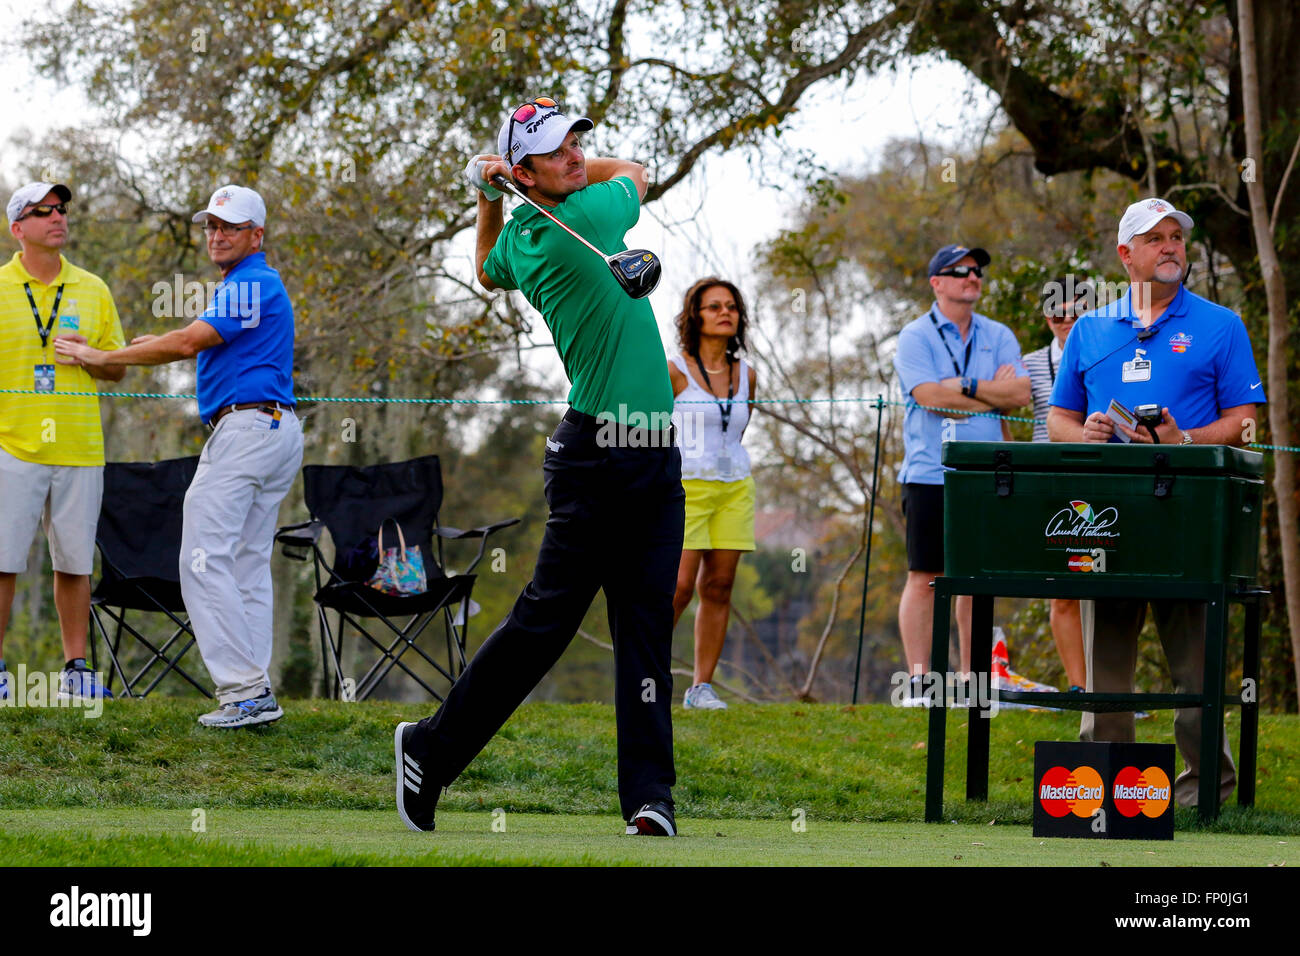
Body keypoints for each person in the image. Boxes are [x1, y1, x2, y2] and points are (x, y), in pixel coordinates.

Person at [392, 97, 684, 836]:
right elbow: (638, 172)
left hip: (650, 452)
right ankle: (429, 747)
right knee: (544, 625)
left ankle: (650, 798)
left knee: (646, 627)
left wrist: (488, 198)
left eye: (577, 143)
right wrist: (504, 189)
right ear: (527, 169)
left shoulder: (526, 233)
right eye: (556, 152)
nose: (577, 156)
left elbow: (488, 271)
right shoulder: (583, 223)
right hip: (600, 455)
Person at [55, 184, 301, 729]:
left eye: (230, 227)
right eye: (212, 226)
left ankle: (245, 691)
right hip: (272, 429)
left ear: (256, 235)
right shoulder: (246, 285)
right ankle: (255, 691)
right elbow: (185, 334)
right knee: (244, 566)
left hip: (247, 431)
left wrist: (103, 355)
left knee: (201, 559)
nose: (217, 235)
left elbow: (187, 342)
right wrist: (137, 345)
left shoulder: (252, 281)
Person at [1046, 196, 1262, 807]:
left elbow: (1244, 424)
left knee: (1193, 664)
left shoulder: (1221, 325)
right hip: (1106, 515)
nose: (1171, 247)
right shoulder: (1089, 330)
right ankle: (1103, 789)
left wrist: (1185, 439)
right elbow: (1058, 419)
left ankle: (1204, 793)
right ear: (1126, 254)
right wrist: (1081, 431)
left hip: (1189, 514)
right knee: (1107, 659)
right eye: (1156, 238)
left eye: (1177, 237)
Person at [1, 182, 125, 701]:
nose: (58, 217)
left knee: (74, 563)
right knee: (3, 562)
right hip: (11, 446)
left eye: (62, 209)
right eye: (43, 211)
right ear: (17, 229)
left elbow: (118, 367)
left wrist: (91, 356)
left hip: (79, 448)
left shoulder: (93, 288)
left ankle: (76, 668)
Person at [893, 244, 1030, 701]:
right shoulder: (915, 336)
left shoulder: (999, 333)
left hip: (987, 474)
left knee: (977, 581)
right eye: (961, 271)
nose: (973, 277)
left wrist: (967, 386)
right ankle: (920, 682)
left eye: (977, 271)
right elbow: (929, 395)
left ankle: (976, 686)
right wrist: (992, 393)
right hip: (931, 472)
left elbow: (1020, 396)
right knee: (926, 577)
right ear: (937, 282)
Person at [668, 277, 757, 711]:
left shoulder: (747, 375)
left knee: (719, 586)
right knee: (678, 587)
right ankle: (644, 674)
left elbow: (738, 430)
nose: (725, 312)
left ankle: (700, 688)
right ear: (694, 316)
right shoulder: (674, 368)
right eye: (713, 306)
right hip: (685, 488)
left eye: (732, 307)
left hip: (735, 487)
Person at [1022, 276, 1090, 692]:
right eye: (1055, 311)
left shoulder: (1104, 356)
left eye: (1074, 310)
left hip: (1098, 483)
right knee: (1061, 590)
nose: (1064, 319)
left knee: (1106, 590)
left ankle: (1111, 687)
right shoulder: (1028, 365)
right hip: (1048, 487)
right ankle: (1081, 688)